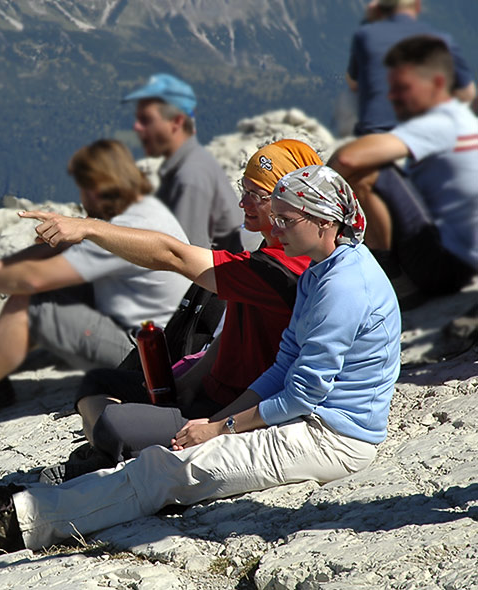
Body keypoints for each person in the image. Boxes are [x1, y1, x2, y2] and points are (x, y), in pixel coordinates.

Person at [0, 165, 401, 558]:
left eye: (285, 219)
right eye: (273, 217)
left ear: (323, 221)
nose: (273, 228)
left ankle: (11, 526)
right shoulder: (323, 270)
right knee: (165, 458)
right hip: (309, 420)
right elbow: (284, 366)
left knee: (167, 470)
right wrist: (219, 423)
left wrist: (219, 430)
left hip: (333, 437)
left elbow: (304, 392)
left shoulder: (341, 286)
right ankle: (24, 504)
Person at [34, 140, 321, 484]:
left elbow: (173, 256)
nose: (243, 203)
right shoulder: (270, 246)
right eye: (243, 190)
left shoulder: (283, 268)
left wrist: (89, 228)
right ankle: (112, 451)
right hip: (212, 392)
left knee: (113, 423)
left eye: (256, 196)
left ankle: (110, 456)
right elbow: (230, 336)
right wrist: (188, 382)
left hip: (236, 409)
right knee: (99, 383)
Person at [0, 139, 191, 446]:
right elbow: (63, 252)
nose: (81, 197)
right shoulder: (141, 214)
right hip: (159, 339)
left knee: (37, 303)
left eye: (84, 187)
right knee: (63, 289)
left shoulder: (126, 229)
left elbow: (35, 279)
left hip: (150, 359)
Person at [331, 35, 478, 299]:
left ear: (437, 83)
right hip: (458, 258)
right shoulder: (460, 118)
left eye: (403, 87)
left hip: (444, 267)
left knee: (371, 172)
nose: (393, 96)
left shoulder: (440, 122)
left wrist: (311, 194)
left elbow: (348, 159)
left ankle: (395, 282)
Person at [123, 73, 242, 252]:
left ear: (176, 122)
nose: (137, 127)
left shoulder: (190, 176)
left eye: (146, 120)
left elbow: (185, 256)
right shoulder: (189, 165)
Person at [347, 0, 475, 136]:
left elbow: (353, 84)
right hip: (422, 137)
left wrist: (369, 21)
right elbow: (468, 94)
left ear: (379, 9)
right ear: (418, 6)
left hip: (374, 136)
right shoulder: (442, 41)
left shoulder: (364, 36)